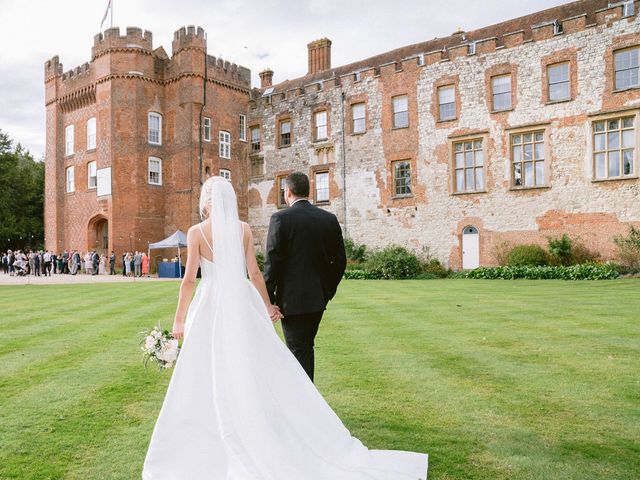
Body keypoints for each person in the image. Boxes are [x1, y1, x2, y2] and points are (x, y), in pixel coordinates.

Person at [142, 176, 428, 480]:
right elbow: (253, 273)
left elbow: (189, 280)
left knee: (208, 363)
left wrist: (178, 319)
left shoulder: (197, 232)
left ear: (207, 201)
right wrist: (267, 306)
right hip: (241, 301)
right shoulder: (243, 230)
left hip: (210, 301)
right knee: (250, 359)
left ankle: (213, 422)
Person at [264, 172, 347, 381]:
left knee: (298, 353)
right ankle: (306, 406)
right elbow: (340, 261)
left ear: (288, 192)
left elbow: (272, 263)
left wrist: (269, 300)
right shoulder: (328, 219)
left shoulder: (280, 218)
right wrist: (326, 291)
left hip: (291, 303)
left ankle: (305, 409)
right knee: (304, 348)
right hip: (317, 301)